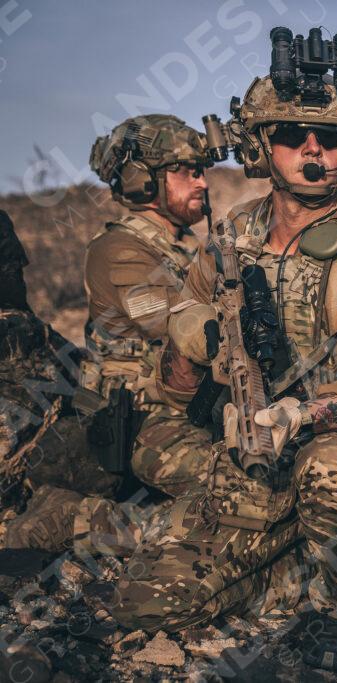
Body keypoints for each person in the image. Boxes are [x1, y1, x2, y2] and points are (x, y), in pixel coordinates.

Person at [108, 29, 337, 665]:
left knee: (336, 467)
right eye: (292, 134)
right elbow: (178, 352)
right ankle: (292, 562)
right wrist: (193, 341)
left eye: (330, 138)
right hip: (248, 450)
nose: (313, 149)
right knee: (146, 603)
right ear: (262, 145)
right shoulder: (234, 233)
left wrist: (304, 414)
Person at [5, 115, 214, 552]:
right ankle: (81, 520)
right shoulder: (118, 250)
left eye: (202, 170)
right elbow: (185, 327)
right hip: (143, 417)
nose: (202, 182)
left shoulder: (190, 248)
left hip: (197, 401)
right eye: (186, 171)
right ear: (142, 181)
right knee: (231, 491)